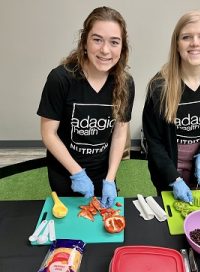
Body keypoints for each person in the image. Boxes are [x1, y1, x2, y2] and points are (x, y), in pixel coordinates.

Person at [37, 6, 135, 208]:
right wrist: (77, 172)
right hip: (66, 171)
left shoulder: (125, 83)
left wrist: (110, 179)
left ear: (122, 48)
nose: (105, 50)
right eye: (97, 39)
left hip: (103, 172)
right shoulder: (60, 79)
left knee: (105, 229)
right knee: (71, 228)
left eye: (114, 42)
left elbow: (119, 133)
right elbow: (49, 134)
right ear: (84, 42)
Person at [142, 10, 200, 203]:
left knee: (199, 215)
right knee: (169, 220)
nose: (195, 43)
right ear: (177, 44)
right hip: (167, 172)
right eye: (186, 37)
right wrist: (173, 179)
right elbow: (154, 141)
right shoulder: (159, 86)